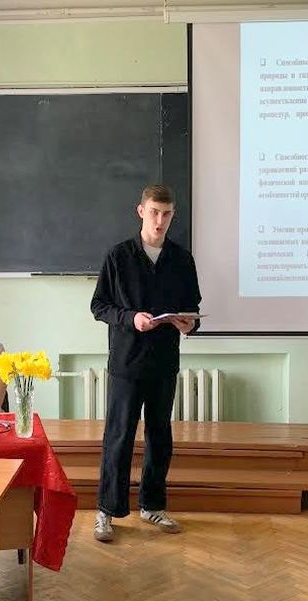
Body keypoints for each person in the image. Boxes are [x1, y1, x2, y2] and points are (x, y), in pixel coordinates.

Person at [90, 183, 202, 543]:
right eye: (154, 212)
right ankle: (107, 511)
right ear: (141, 211)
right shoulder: (118, 256)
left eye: (166, 214)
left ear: (173, 215)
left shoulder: (182, 259)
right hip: (126, 362)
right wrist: (130, 318)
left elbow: (193, 309)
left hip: (164, 363)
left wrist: (189, 324)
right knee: (119, 436)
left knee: (160, 435)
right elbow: (99, 306)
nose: (160, 220)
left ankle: (152, 505)